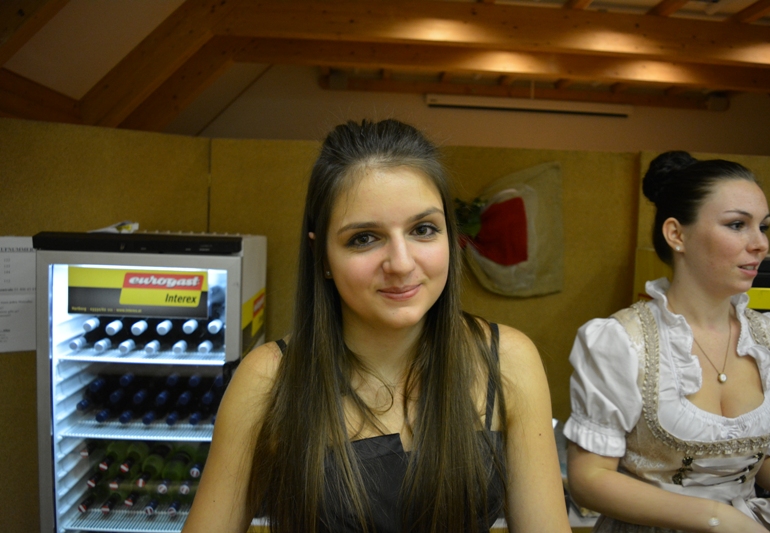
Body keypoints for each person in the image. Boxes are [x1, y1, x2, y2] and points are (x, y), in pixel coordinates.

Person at [183, 119, 571, 533]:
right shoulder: (267, 378)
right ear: (322, 255)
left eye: (423, 229)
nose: (401, 263)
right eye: (364, 238)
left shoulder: (508, 360)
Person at [565, 151, 770, 533]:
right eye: (737, 225)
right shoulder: (622, 340)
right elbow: (589, 479)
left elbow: (769, 461)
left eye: (763, 226)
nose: (760, 243)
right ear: (677, 234)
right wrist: (719, 519)